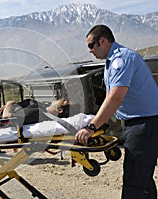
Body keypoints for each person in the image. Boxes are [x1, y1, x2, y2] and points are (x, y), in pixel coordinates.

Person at [75, 25, 158, 199]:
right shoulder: (110, 62)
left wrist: (91, 127)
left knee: (134, 180)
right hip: (136, 123)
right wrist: (102, 124)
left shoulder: (121, 59)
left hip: (143, 124)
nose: (90, 51)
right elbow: (109, 99)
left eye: (91, 45)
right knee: (143, 179)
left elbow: (115, 98)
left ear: (103, 41)